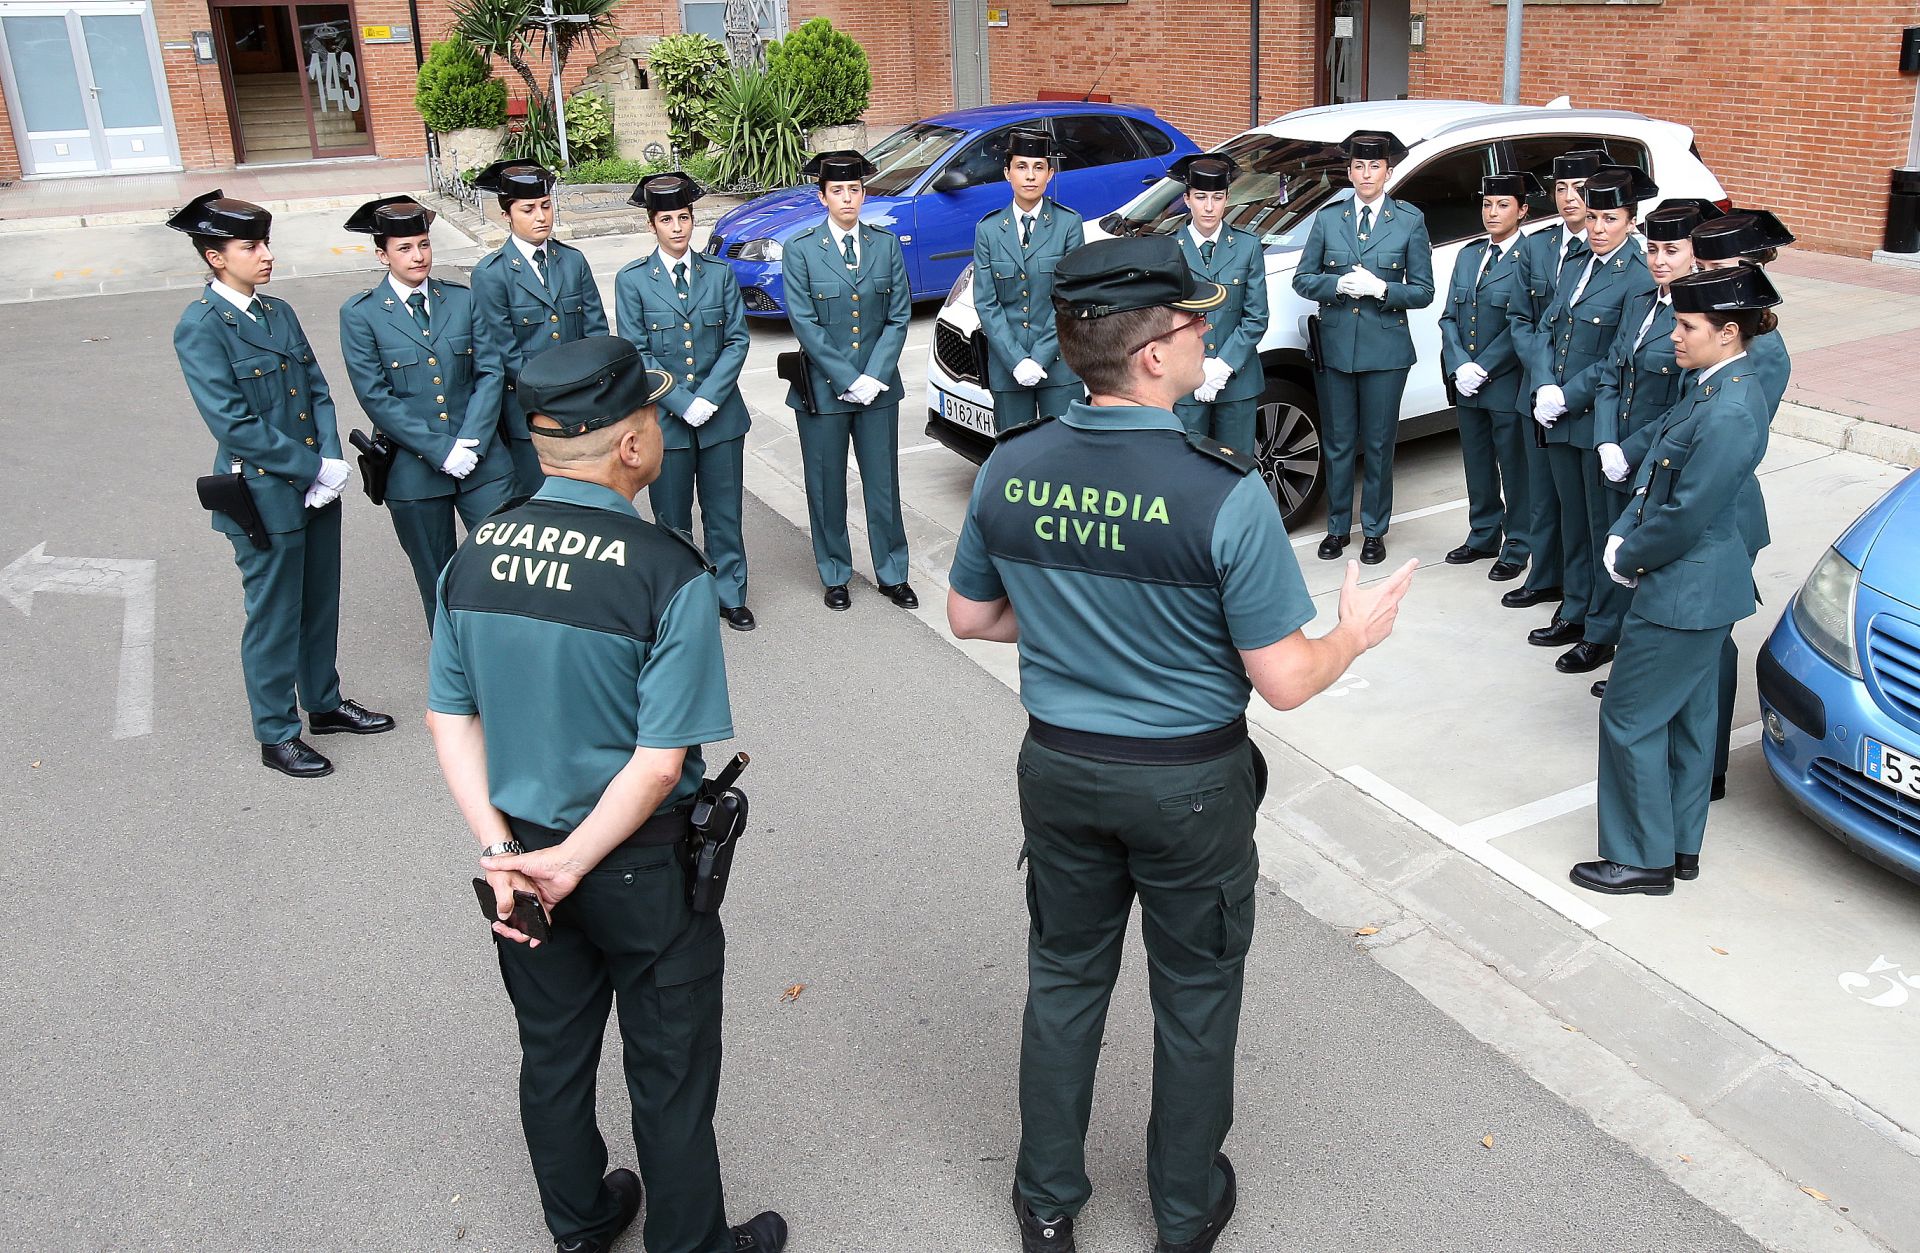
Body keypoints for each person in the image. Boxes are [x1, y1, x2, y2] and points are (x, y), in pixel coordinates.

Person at [947, 235, 1417, 1253]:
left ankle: (1045, 1201)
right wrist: (1354, 632)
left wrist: (1079, 614)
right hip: (1187, 785)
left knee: (1065, 979)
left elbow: (972, 617)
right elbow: (1285, 679)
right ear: (1153, 353)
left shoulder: (1013, 466)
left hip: (1060, 768)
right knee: (1195, 994)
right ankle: (1184, 1205)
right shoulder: (1222, 491)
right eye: (1194, 321)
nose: (1208, 333)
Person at [424, 335, 787, 1253]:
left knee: (552, 1053)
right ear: (631, 443)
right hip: (632, 863)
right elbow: (660, 763)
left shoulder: (474, 554)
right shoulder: (667, 570)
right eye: (651, 415)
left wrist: (509, 852)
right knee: (668, 1072)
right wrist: (575, 861)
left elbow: (449, 718)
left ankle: (582, 1224)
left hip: (521, 856)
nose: (659, 427)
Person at [168, 190, 393, 778]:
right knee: (273, 613)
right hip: (265, 492)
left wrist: (326, 458)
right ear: (216, 257)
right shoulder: (202, 327)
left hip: (313, 485)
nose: (266, 255)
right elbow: (233, 423)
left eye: (265, 243)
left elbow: (315, 388)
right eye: (251, 246)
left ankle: (322, 702)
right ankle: (276, 731)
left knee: (320, 600)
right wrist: (311, 466)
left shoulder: (278, 312)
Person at [1576, 265, 1779, 895]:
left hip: (1683, 590)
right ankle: (1680, 847)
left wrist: (1628, 556)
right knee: (1690, 723)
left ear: (1728, 333)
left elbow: (1690, 510)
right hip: (1695, 585)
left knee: (1630, 717)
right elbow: (1664, 468)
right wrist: (1628, 525)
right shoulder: (1715, 386)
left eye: (1688, 326)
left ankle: (1641, 858)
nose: (1674, 337)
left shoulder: (1732, 409)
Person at [338, 195, 516, 626]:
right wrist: (440, 451)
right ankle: (453, 675)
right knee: (436, 578)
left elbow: (489, 372)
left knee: (506, 567)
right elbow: (376, 397)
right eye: (404, 248)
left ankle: (506, 655)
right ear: (382, 255)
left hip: (482, 461)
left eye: (423, 244)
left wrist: (469, 443)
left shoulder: (462, 299)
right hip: (414, 472)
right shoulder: (361, 315)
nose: (418, 256)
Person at [1522, 164, 1657, 676]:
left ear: (1630, 221)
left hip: (1595, 420)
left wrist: (1567, 395)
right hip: (1556, 413)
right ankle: (1574, 610)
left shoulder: (1638, 274)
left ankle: (1602, 631)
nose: (1598, 227)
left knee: (1602, 529)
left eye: (1610, 218)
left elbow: (1618, 358)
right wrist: (1542, 387)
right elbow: (1546, 329)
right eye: (1594, 216)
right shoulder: (1579, 259)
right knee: (1571, 522)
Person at [1583, 198, 1721, 699]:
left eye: (1672, 250)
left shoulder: (1701, 318)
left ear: (1695, 254)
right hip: (1613, 447)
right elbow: (1610, 374)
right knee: (1609, 545)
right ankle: (1600, 636)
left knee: (1643, 561)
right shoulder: (1642, 301)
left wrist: (1631, 450)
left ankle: (1630, 656)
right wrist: (1604, 439)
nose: (1659, 260)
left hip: (1652, 460)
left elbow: (1685, 407)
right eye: (1653, 249)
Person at [1686, 208, 1796, 800]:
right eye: (1700, 265)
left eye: (1716, 266)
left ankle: (1708, 765)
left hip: (1722, 509)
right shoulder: (1709, 330)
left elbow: (1730, 443)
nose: (1704, 276)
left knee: (1712, 639)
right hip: (1694, 498)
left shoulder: (1761, 350)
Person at [615, 173, 757, 631]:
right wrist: (680, 401)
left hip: (720, 418)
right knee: (671, 518)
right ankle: (680, 600)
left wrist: (708, 398)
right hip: (666, 422)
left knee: (723, 511)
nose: (678, 227)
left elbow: (736, 340)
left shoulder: (718, 273)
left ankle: (730, 592)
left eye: (684, 217)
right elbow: (638, 350)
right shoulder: (633, 280)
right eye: (667, 220)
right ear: (652, 226)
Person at [782, 150, 917, 612]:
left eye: (854, 189)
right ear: (822, 197)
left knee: (883, 484)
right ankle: (836, 573)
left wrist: (873, 376)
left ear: (864, 193)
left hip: (878, 389)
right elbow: (804, 321)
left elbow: (899, 315)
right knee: (826, 486)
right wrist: (845, 377)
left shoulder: (885, 244)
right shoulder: (800, 249)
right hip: (824, 389)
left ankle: (893, 573)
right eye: (837, 190)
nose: (847, 198)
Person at [1291, 130, 1434, 566]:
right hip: (1336, 347)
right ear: (1349, 171)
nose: (1366, 174)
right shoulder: (1329, 218)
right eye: (1358, 166)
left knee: (1377, 443)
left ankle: (1374, 529)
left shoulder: (1408, 220)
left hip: (1385, 351)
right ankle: (1337, 527)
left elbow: (1424, 291)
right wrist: (1335, 285)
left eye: (1374, 166)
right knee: (1336, 442)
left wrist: (1382, 289)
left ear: (1388, 172)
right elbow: (1302, 278)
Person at [1502, 147, 1607, 614]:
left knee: (1583, 507)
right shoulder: (1537, 245)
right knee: (1541, 493)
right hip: (1537, 390)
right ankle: (1544, 575)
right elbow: (1522, 319)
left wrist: (1565, 390)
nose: (1569, 199)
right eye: (1561, 188)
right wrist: (1543, 380)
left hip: (1583, 397)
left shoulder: (1607, 251)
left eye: (1579, 189)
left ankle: (1580, 591)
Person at [469, 159, 609, 495]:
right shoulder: (492, 274)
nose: (541, 217)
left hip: (580, 411)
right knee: (541, 505)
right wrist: (552, 397)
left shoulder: (572, 261)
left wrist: (584, 393)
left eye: (546, 206)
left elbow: (596, 333)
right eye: (528, 209)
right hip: (529, 417)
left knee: (585, 502)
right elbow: (504, 353)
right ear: (506, 215)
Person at [1437, 170, 1539, 580]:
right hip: (1468, 383)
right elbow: (1449, 318)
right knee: (1476, 464)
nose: (1492, 213)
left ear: (1523, 210)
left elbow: (1523, 324)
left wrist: (1483, 366)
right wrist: (1459, 364)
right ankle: (1483, 534)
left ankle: (1517, 543)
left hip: (1505, 382)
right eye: (1486, 204)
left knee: (1514, 469)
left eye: (1502, 205)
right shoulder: (1469, 255)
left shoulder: (1530, 257)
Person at [974, 127, 1086, 433]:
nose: (1030, 176)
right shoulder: (988, 230)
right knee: (1015, 457)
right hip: (1008, 368)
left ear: (1050, 174)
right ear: (1007, 173)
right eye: (1021, 167)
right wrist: (1017, 360)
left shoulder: (1067, 224)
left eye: (1038, 168)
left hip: (1059, 366)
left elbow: (1070, 298)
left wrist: (1038, 358)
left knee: (1062, 455)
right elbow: (986, 302)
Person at [1167, 153, 1269, 454]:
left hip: (1236, 382)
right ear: (1187, 199)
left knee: (1236, 470)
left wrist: (1222, 366)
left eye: (1217, 197)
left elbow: (1256, 316)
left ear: (1227, 199)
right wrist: (1196, 370)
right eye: (1200, 197)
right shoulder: (1169, 249)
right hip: (1185, 383)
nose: (1209, 207)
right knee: (1186, 468)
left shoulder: (1248, 246)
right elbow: (1163, 321)